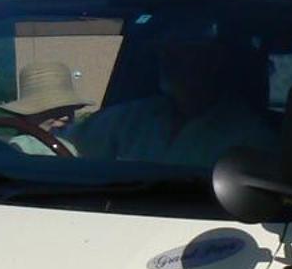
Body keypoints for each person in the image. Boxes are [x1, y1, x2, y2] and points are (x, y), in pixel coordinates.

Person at [67, 30, 277, 167]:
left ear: (215, 65)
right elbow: (65, 147)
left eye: (187, 55)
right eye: (167, 54)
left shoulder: (249, 136)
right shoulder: (129, 118)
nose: (170, 63)